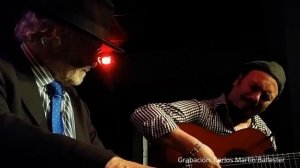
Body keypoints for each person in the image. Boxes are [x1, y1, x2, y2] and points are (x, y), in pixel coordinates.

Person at [0, 0, 152, 167]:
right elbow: (6, 130)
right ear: (55, 34)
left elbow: (95, 154)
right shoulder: (3, 72)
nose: (95, 62)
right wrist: (112, 163)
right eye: (92, 48)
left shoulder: (74, 101)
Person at [131, 60, 286, 168]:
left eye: (265, 97)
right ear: (237, 80)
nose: (255, 98)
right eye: (253, 87)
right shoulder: (203, 110)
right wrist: (197, 149)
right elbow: (144, 113)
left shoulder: (264, 136)